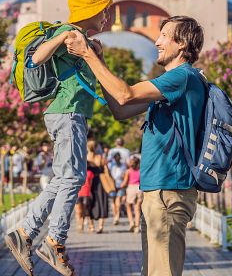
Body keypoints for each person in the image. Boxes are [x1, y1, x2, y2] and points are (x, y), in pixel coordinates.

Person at [65, 15, 206, 276]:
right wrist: (100, 62)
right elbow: (120, 108)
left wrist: (88, 55)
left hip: (168, 189)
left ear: (183, 44)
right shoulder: (171, 86)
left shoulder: (181, 77)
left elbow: (125, 93)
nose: (157, 41)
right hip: (160, 190)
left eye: (164, 36)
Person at [5, 0, 111, 276]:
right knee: (74, 176)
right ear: (90, 11)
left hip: (71, 114)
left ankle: (24, 234)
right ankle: (55, 242)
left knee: (64, 178)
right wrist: (65, 36)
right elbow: (36, 58)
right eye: (103, 10)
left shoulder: (85, 40)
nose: (107, 16)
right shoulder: (67, 31)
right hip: (66, 113)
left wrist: (94, 53)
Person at [87, 139, 109, 234]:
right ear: (96, 147)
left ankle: (91, 226)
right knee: (102, 202)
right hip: (101, 182)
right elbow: (106, 169)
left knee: (89, 203)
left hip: (89, 182)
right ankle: (100, 226)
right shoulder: (100, 157)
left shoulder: (86, 158)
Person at [123, 156, 144, 233]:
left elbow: (125, 183)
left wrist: (119, 187)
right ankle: (137, 226)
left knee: (128, 206)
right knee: (137, 208)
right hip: (139, 189)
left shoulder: (128, 171)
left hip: (131, 188)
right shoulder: (141, 171)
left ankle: (131, 222)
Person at [108, 152, 127, 225]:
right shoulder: (123, 165)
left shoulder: (111, 165)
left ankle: (115, 216)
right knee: (117, 200)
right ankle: (116, 216)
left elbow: (109, 174)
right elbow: (124, 175)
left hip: (114, 183)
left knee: (113, 201)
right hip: (119, 183)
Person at [75, 167, 94, 233]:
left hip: (86, 193)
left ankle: (91, 225)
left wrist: (90, 192)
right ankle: (81, 225)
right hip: (78, 194)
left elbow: (91, 184)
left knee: (87, 212)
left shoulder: (90, 173)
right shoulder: (77, 172)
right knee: (79, 211)